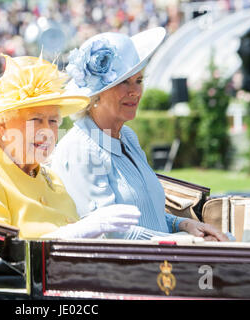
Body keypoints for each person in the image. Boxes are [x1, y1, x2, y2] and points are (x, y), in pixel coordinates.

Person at [51, 28, 229, 241]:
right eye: (123, 82)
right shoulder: (81, 149)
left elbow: (147, 215)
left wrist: (183, 224)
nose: (135, 91)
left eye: (139, 80)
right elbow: (109, 234)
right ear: (95, 95)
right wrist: (186, 242)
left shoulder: (127, 136)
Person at [0, 54, 141, 239]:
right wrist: (72, 234)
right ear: (2, 125)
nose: (47, 131)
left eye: (53, 121)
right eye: (36, 120)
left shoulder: (49, 177)